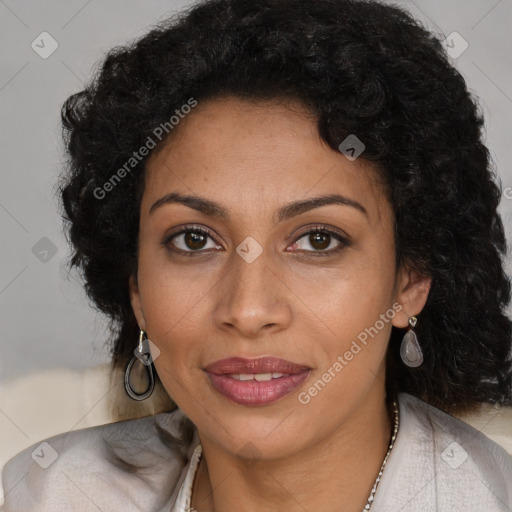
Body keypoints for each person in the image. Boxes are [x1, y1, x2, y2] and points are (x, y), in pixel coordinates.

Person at [2, 0, 512, 510]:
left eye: (318, 240)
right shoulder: (49, 492)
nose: (247, 311)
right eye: (194, 239)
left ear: (411, 279)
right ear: (135, 286)